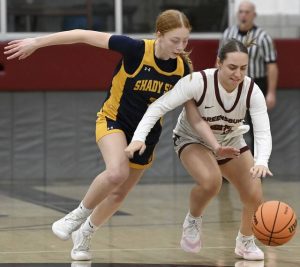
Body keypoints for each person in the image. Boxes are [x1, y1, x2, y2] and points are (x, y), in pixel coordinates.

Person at [4, 9, 238, 261]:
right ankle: (76, 215)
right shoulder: (135, 49)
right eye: (175, 40)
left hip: (146, 135)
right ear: (159, 34)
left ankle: (85, 233)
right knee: (117, 172)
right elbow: (82, 34)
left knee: (118, 194)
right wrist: (37, 42)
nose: (181, 47)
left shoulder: (182, 68)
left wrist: (214, 145)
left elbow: (193, 116)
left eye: (185, 41)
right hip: (113, 120)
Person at [125, 38, 273, 261]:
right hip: (192, 139)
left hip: (231, 141)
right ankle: (193, 219)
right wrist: (138, 137)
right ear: (218, 63)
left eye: (243, 68)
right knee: (211, 182)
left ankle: (245, 242)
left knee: (254, 195)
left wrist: (262, 161)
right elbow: (158, 106)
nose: (238, 74)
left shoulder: (252, 90)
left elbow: (262, 130)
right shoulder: (197, 81)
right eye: (232, 67)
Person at [220, 0, 278, 152]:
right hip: (232, 85)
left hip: (255, 84)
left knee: (257, 128)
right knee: (227, 126)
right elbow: (219, 61)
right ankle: (228, 168)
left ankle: (257, 168)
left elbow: (271, 66)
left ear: (254, 15)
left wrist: (271, 92)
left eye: (247, 12)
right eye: (240, 11)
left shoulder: (263, 37)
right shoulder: (228, 34)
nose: (243, 15)